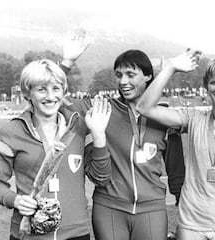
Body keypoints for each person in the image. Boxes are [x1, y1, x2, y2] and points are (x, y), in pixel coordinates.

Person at [61, 33, 185, 240]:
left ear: (147, 76)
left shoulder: (165, 117)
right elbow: (56, 98)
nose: (123, 81)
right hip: (109, 207)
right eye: (119, 75)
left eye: (130, 74)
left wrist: (183, 208)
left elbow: (176, 170)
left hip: (151, 210)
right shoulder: (102, 108)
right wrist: (67, 62)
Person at [136, 51, 215, 240]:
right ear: (206, 87)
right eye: (214, 82)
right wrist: (171, 67)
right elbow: (144, 107)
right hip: (191, 226)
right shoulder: (194, 118)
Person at [0, 59, 111, 240]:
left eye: (56, 89)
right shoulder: (10, 132)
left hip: (76, 233)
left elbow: (101, 177)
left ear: (63, 92)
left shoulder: (80, 127)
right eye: (42, 89)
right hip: (29, 234)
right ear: (28, 94)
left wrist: (99, 134)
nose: (50, 96)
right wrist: (16, 200)